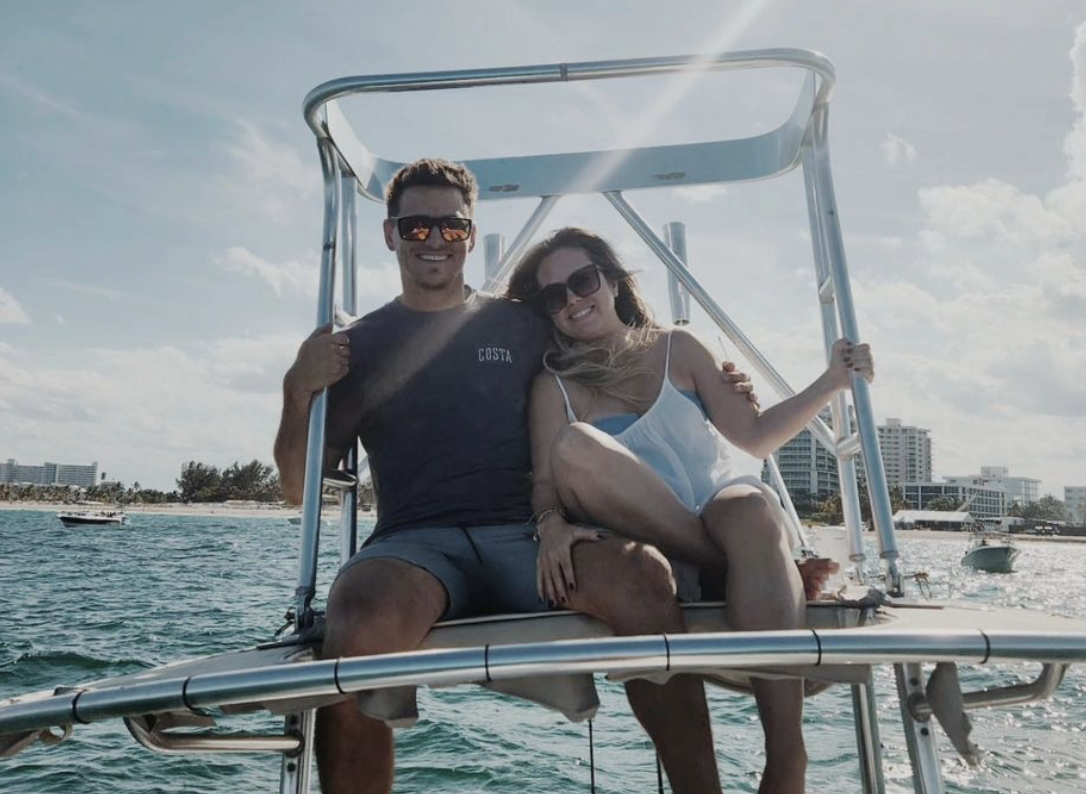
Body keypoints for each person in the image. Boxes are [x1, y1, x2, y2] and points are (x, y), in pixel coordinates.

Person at [274, 159, 758, 794]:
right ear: (391, 234)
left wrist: (714, 386)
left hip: (529, 535)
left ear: (471, 235)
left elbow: (620, 356)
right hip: (413, 545)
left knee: (642, 575)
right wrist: (297, 390)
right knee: (357, 624)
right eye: (416, 227)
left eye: (451, 227)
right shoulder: (354, 348)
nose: (435, 240)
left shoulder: (522, 322)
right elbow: (295, 487)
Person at [506, 226, 874, 794]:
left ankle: (787, 759)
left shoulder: (678, 346)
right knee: (575, 444)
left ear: (612, 281)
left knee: (750, 507)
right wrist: (551, 526)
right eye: (554, 295)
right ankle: (750, 567)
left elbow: (754, 436)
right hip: (644, 546)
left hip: (719, 513)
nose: (573, 299)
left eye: (583, 281)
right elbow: (548, 483)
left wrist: (830, 382)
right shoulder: (553, 386)